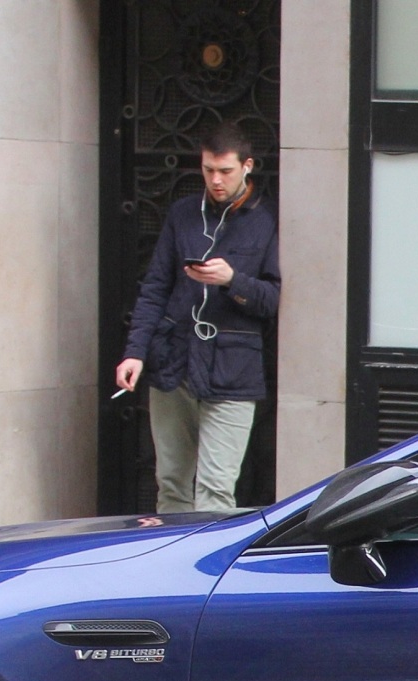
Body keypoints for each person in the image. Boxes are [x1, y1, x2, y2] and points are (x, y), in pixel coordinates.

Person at [115, 122, 281, 512]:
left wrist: (232, 280)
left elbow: (272, 299)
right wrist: (135, 352)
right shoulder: (184, 214)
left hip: (233, 370)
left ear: (248, 166)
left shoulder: (268, 219)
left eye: (225, 171)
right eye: (208, 170)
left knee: (215, 491)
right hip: (175, 363)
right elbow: (155, 286)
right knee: (170, 483)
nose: (216, 180)